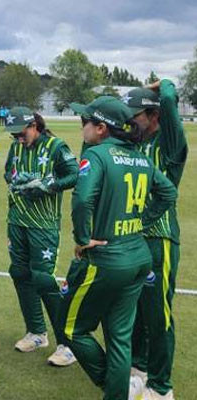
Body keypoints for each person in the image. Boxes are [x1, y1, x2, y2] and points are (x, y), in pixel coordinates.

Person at [57, 96, 177, 400]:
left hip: (107, 259)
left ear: (101, 128)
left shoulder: (96, 155)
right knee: (120, 337)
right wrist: (143, 221)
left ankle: (115, 384)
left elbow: (82, 199)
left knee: (71, 329)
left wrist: (82, 238)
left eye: (85, 121)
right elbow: (168, 193)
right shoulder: (140, 157)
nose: (81, 125)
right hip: (138, 256)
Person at [124, 80, 187, 400]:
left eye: (136, 114)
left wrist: (158, 86)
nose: (130, 119)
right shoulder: (134, 143)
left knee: (158, 315)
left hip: (159, 238)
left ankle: (162, 387)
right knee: (133, 311)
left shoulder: (170, 143)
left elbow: (169, 94)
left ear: (154, 115)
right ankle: (138, 370)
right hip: (132, 237)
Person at [3, 107, 79, 366]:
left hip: (44, 224)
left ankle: (67, 345)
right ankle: (36, 332)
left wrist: (48, 184)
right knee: (20, 274)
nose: (19, 139)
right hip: (17, 220)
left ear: (34, 125)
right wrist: (16, 179)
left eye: (22, 134)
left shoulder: (56, 146)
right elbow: (7, 172)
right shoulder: (16, 147)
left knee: (43, 279)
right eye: (14, 136)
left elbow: (75, 174)